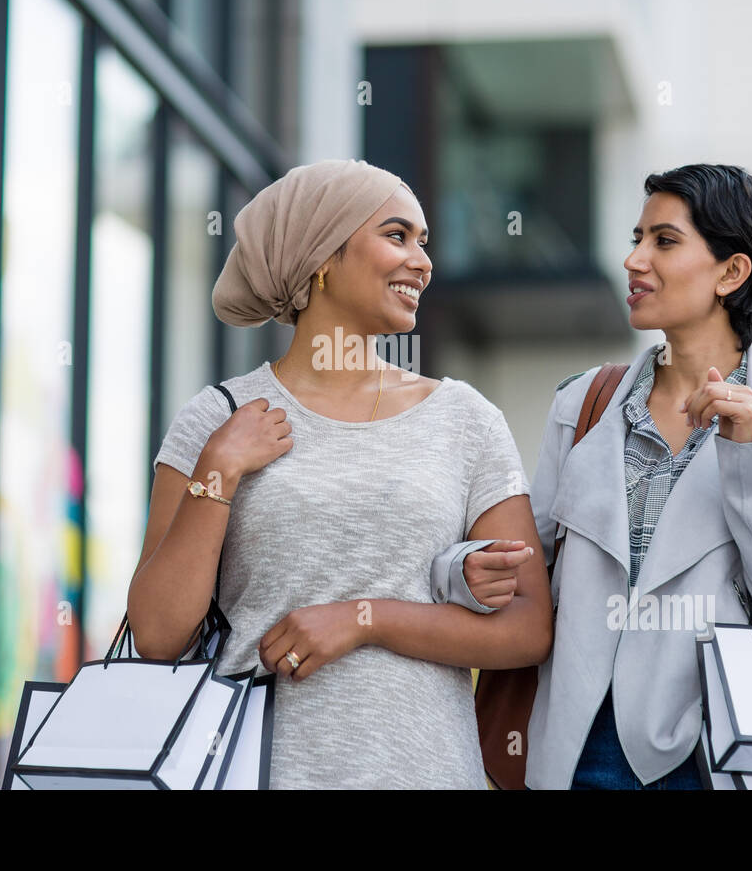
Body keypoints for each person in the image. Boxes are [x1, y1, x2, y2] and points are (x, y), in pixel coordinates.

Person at [126, 159, 553, 789]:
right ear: (323, 254)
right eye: (397, 236)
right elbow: (159, 635)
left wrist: (363, 619)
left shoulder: (464, 420)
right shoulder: (217, 420)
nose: (423, 262)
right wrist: (218, 469)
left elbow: (526, 625)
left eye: (424, 243)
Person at [453, 163, 752, 789]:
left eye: (664, 241)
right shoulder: (583, 404)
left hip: (711, 758)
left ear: (732, 271)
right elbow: (527, 571)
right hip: (569, 755)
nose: (635, 260)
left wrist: (748, 456)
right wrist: (464, 571)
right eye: (636, 238)